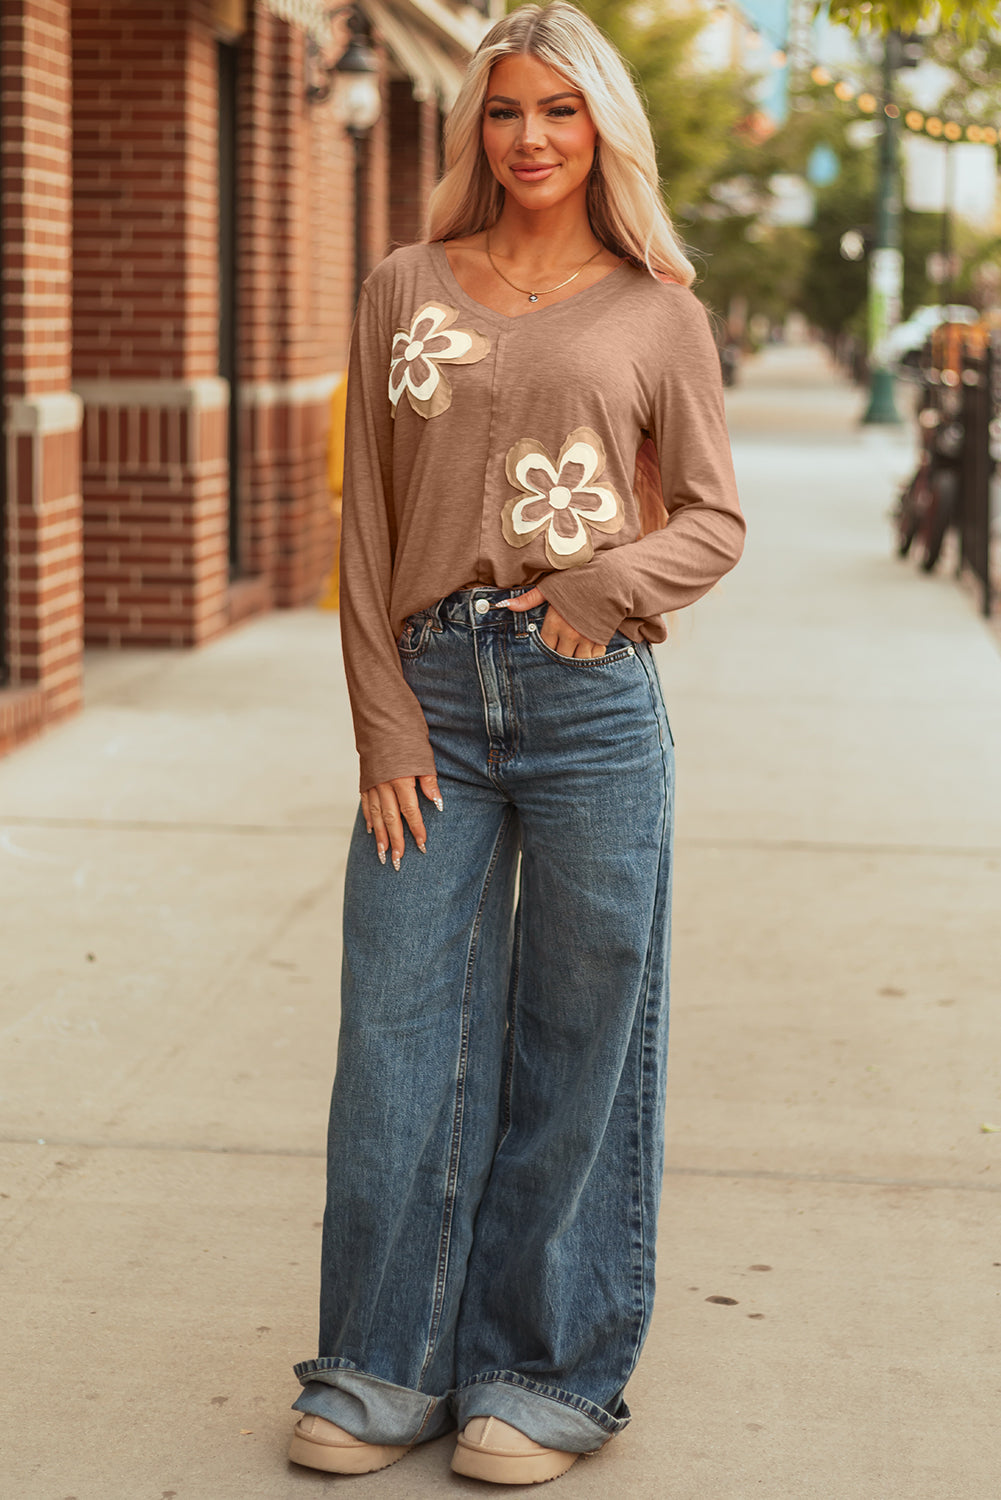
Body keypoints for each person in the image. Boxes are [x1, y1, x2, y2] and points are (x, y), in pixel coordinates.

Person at [288, 2, 744, 1485]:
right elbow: (363, 522)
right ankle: (379, 1363)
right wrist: (378, 721)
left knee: (579, 1037)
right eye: (504, 110)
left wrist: (605, 587)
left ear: (600, 126)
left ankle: (541, 1373)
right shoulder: (405, 283)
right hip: (431, 699)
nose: (530, 137)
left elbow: (713, 521)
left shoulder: (656, 309)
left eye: (558, 110)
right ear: (472, 126)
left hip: (589, 704)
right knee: (398, 1035)